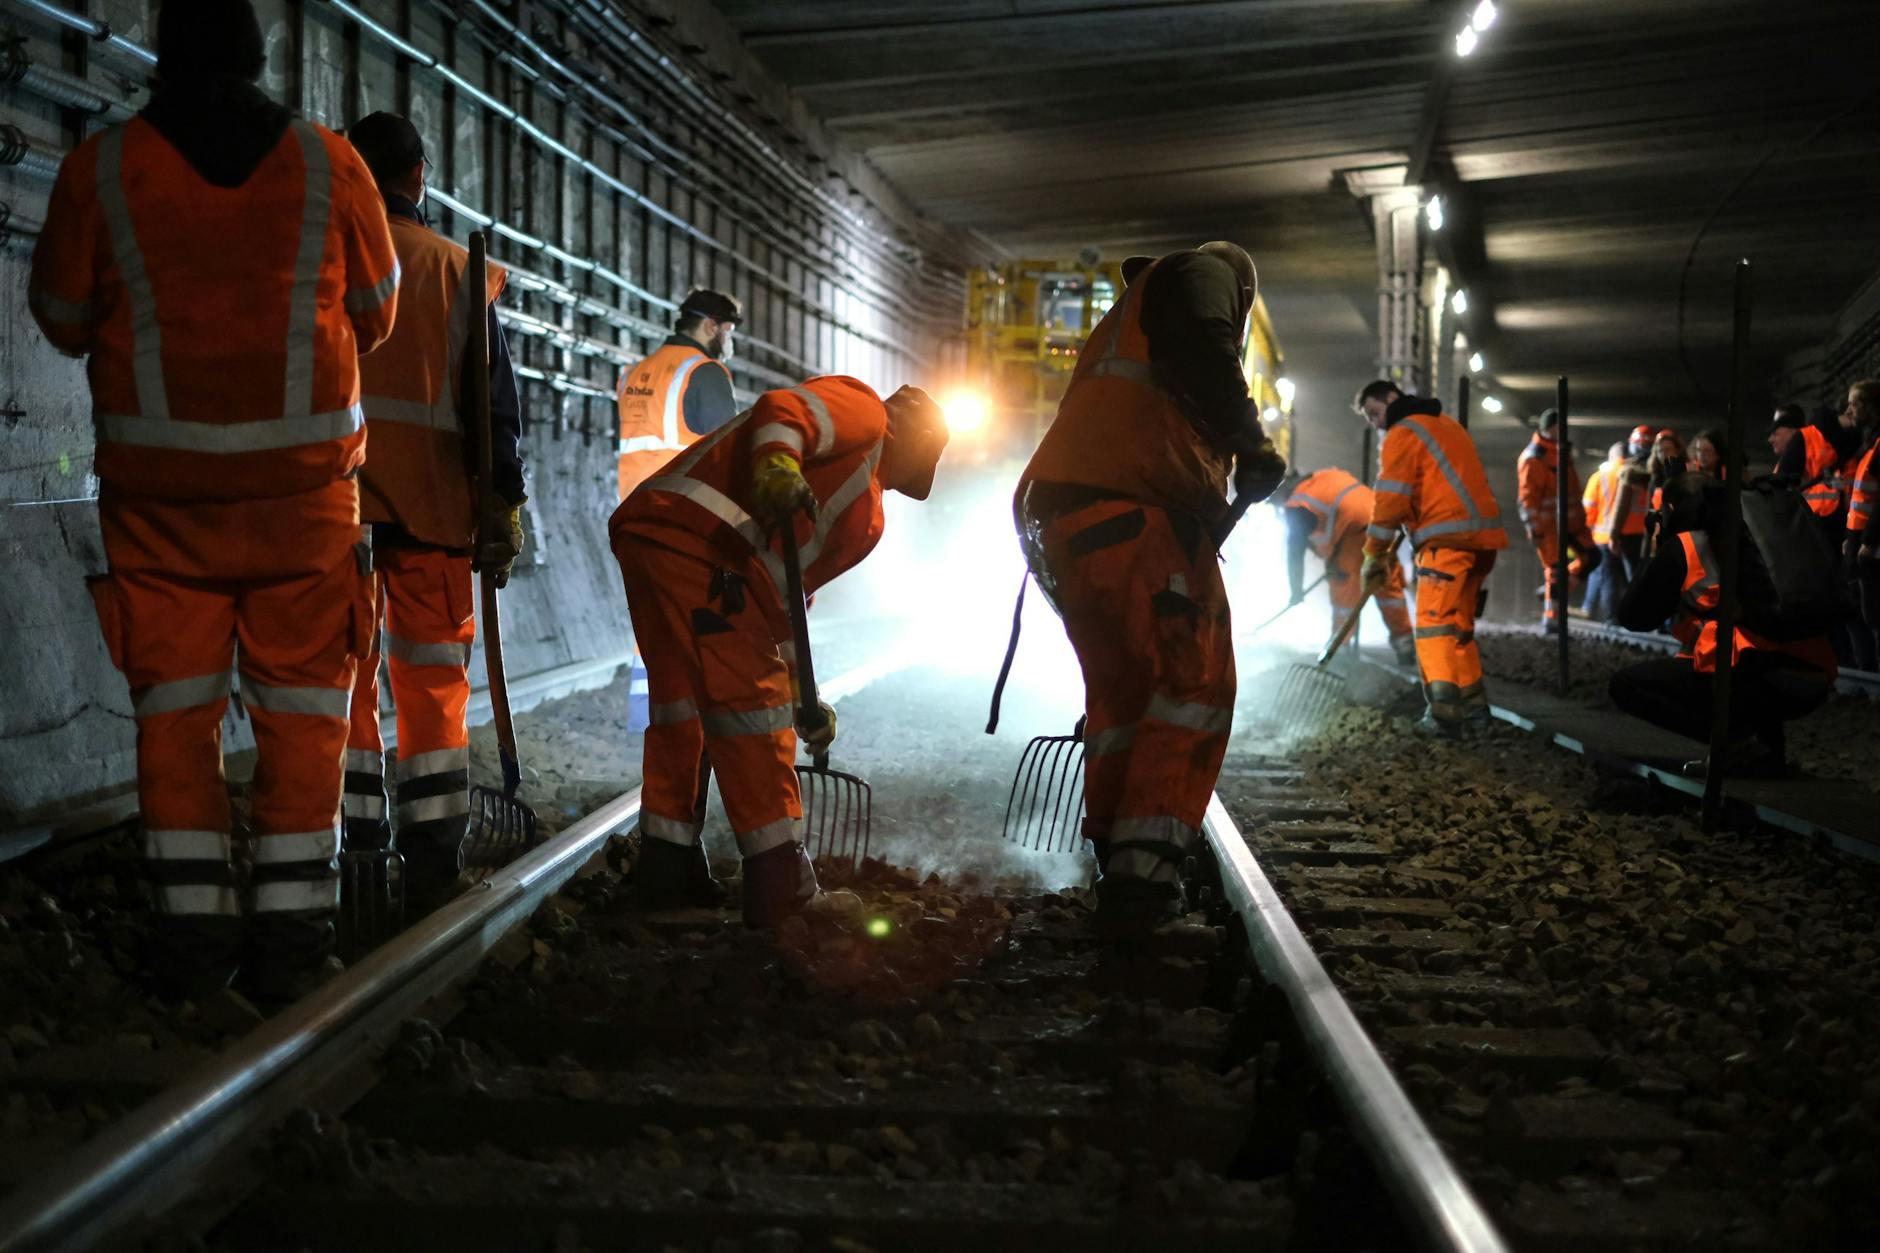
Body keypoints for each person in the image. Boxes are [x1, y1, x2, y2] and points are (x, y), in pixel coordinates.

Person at [27, 0, 399, 998]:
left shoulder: (101, 170)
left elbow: (61, 318)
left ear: (159, 56)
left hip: (161, 512)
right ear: (259, 58)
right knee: (306, 718)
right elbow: (376, 315)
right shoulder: (331, 165)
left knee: (177, 720)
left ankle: (191, 948)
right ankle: (291, 942)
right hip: (305, 511)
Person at [1014, 242, 1286, 942]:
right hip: (1138, 502)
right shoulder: (1207, 271)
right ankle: (1142, 880)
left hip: (1070, 517)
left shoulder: (1127, 318)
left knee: (1125, 693)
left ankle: (1117, 857)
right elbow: (1204, 340)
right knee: (1192, 683)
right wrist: (1250, 441)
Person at [610, 377, 950, 925]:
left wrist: (802, 690)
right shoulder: (865, 412)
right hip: (706, 542)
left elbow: (787, 598)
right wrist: (777, 465)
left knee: (682, 709)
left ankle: (667, 875)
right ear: (917, 436)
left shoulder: (868, 517)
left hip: (661, 536)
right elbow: (783, 409)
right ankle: (781, 889)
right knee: (753, 710)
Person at [339, 112, 527, 912]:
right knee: (431, 694)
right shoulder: (457, 269)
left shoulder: (319, 261)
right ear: (418, 176)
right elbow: (495, 410)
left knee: (341, 687)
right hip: (433, 523)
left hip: (333, 523)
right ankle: (430, 867)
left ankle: (352, 852)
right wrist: (503, 505)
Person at [1610, 473, 1836, 777]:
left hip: (1757, 677)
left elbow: (1633, 616)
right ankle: (1765, 748)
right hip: (1814, 675)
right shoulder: (1760, 533)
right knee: (1742, 657)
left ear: (1672, 510)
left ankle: (1738, 744)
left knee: (1626, 685)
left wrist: (1653, 551)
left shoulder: (1688, 546)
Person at [1356, 380, 1507, 735]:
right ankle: (1475, 710)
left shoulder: (1403, 432)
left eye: (1375, 413)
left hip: (1447, 543)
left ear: (1391, 399)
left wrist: (1373, 554)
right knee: (1458, 629)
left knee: (1433, 625)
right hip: (1482, 541)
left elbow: (1391, 499)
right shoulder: (1446, 425)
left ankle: (1443, 713)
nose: (1377, 423)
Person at [1274, 468, 1415, 663]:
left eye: (1274, 502)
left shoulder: (1299, 504)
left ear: (1280, 491)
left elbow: (1294, 553)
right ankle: (1406, 645)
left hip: (1353, 531)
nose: (1278, 507)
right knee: (1386, 584)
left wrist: (1296, 590)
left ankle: (1339, 652)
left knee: (1344, 590)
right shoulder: (1323, 476)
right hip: (1381, 521)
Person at [616, 290, 741, 501]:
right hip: (679, 510)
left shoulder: (634, 373)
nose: (728, 340)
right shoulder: (705, 372)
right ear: (711, 326)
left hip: (631, 508)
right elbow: (729, 453)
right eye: (727, 331)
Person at [1516, 409, 1600, 633]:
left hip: (1571, 525)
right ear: (1548, 428)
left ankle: (1556, 592)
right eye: (1558, 426)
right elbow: (1527, 497)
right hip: (1548, 527)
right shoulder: (1534, 458)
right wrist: (1533, 527)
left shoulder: (1562, 453)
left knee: (1592, 557)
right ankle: (1551, 621)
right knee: (1555, 571)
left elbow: (1571, 490)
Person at [1841, 381, 1880, 668]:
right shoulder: (1870, 442)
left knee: (1875, 613)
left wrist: (1869, 540)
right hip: (1860, 539)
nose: (1849, 410)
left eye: (1855, 403)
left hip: (1872, 543)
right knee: (1863, 611)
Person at [1581, 441, 1632, 621]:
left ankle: (1610, 619)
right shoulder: (1638, 475)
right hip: (1634, 535)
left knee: (1608, 577)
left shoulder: (1599, 477)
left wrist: (1585, 534)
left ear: (1612, 457)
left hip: (1603, 537)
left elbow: (1588, 509)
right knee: (1632, 579)